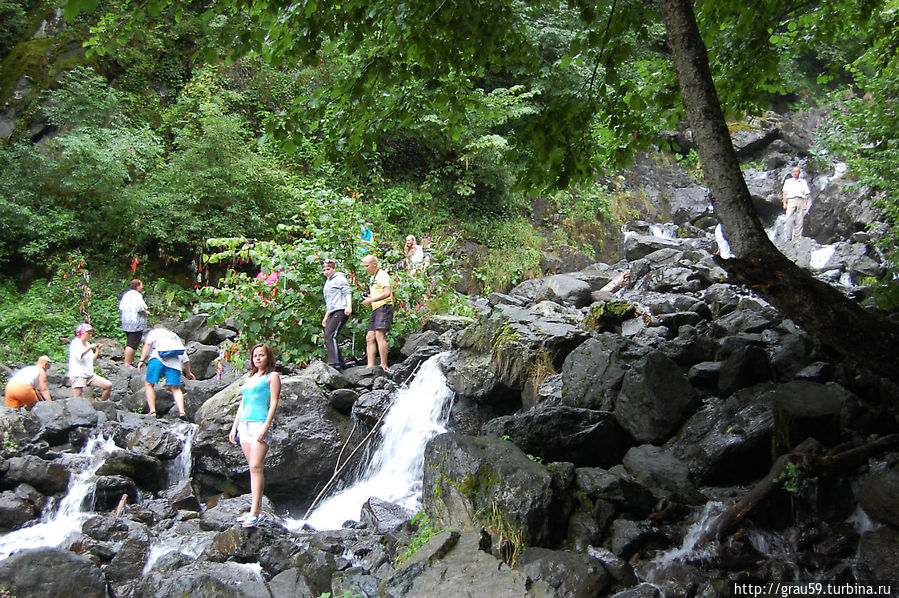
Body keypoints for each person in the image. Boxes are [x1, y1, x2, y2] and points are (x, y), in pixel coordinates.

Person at [229, 343, 281, 528]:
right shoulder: (250, 378)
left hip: (260, 423)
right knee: (252, 469)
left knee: (256, 465)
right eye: (255, 356)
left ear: (268, 357)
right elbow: (242, 404)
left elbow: (274, 402)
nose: (258, 358)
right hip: (245, 424)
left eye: (261, 355)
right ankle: (255, 509)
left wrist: (266, 426)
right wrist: (234, 427)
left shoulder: (272, 376)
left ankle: (253, 512)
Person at [138, 324, 195, 418]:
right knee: (176, 388)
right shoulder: (173, 335)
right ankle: (181, 412)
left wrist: (141, 360)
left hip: (158, 358)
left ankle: (152, 411)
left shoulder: (154, 332)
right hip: (175, 362)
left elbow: (148, 344)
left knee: (149, 384)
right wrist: (188, 373)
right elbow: (185, 357)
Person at [361, 255, 394, 371]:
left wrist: (371, 300)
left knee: (380, 335)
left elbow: (387, 293)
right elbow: (378, 293)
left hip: (384, 306)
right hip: (376, 308)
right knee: (369, 337)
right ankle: (370, 366)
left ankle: (384, 365)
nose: (365, 268)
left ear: (374, 264)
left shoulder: (382, 275)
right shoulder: (372, 277)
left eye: (367, 266)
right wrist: (369, 298)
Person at [321, 259, 353, 369]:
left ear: (333, 268)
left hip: (341, 309)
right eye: (324, 270)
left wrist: (349, 306)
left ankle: (334, 363)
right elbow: (329, 302)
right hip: (333, 310)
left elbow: (347, 292)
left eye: (328, 269)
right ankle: (340, 361)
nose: (326, 272)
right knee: (328, 334)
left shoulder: (339, 278)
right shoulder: (328, 282)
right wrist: (326, 317)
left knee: (330, 334)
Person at [67, 323, 112, 401]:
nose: (90, 335)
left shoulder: (87, 344)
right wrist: (89, 348)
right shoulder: (75, 343)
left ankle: (102, 404)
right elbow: (79, 356)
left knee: (108, 385)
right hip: (78, 374)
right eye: (88, 333)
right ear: (82, 333)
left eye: (91, 333)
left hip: (89, 374)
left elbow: (91, 360)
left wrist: (97, 351)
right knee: (77, 398)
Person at [119, 279, 149, 368]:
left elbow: (120, 308)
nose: (142, 287)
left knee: (130, 342)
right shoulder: (137, 295)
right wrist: (146, 312)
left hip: (126, 322)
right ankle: (127, 364)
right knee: (132, 344)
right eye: (141, 285)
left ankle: (128, 362)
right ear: (138, 286)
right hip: (135, 323)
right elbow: (140, 308)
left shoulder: (126, 295)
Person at [782, 166, 811, 242]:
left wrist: (805, 204)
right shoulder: (788, 181)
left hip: (801, 200)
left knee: (799, 219)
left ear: (799, 173)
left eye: (797, 171)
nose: (795, 173)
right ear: (792, 173)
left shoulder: (803, 182)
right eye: (794, 171)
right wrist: (784, 203)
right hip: (791, 200)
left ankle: (797, 238)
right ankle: (789, 237)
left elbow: (806, 194)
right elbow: (784, 193)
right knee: (788, 218)